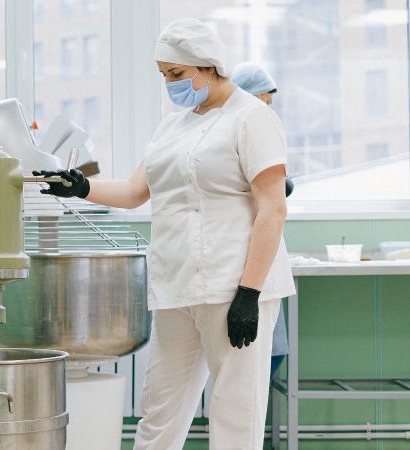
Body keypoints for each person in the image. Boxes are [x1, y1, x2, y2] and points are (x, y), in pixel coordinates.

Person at [34, 18, 296, 450]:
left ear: (209, 66)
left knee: (235, 413)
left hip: (233, 286)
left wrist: (249, 292)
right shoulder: (171, 128)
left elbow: (273, 208)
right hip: (178, 286)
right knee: (159, 411)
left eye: (177, 74)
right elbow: (137, 192)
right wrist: (80, 186)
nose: (170, 85)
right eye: (164, 76)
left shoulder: (252, 118)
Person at [233, 61, 292, 378]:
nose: (265, 111)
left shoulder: (264, 131)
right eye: (261, 101)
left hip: (263, 260)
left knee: (270, 356)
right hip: (235, 261)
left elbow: (273, 206)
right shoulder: (229, 130)